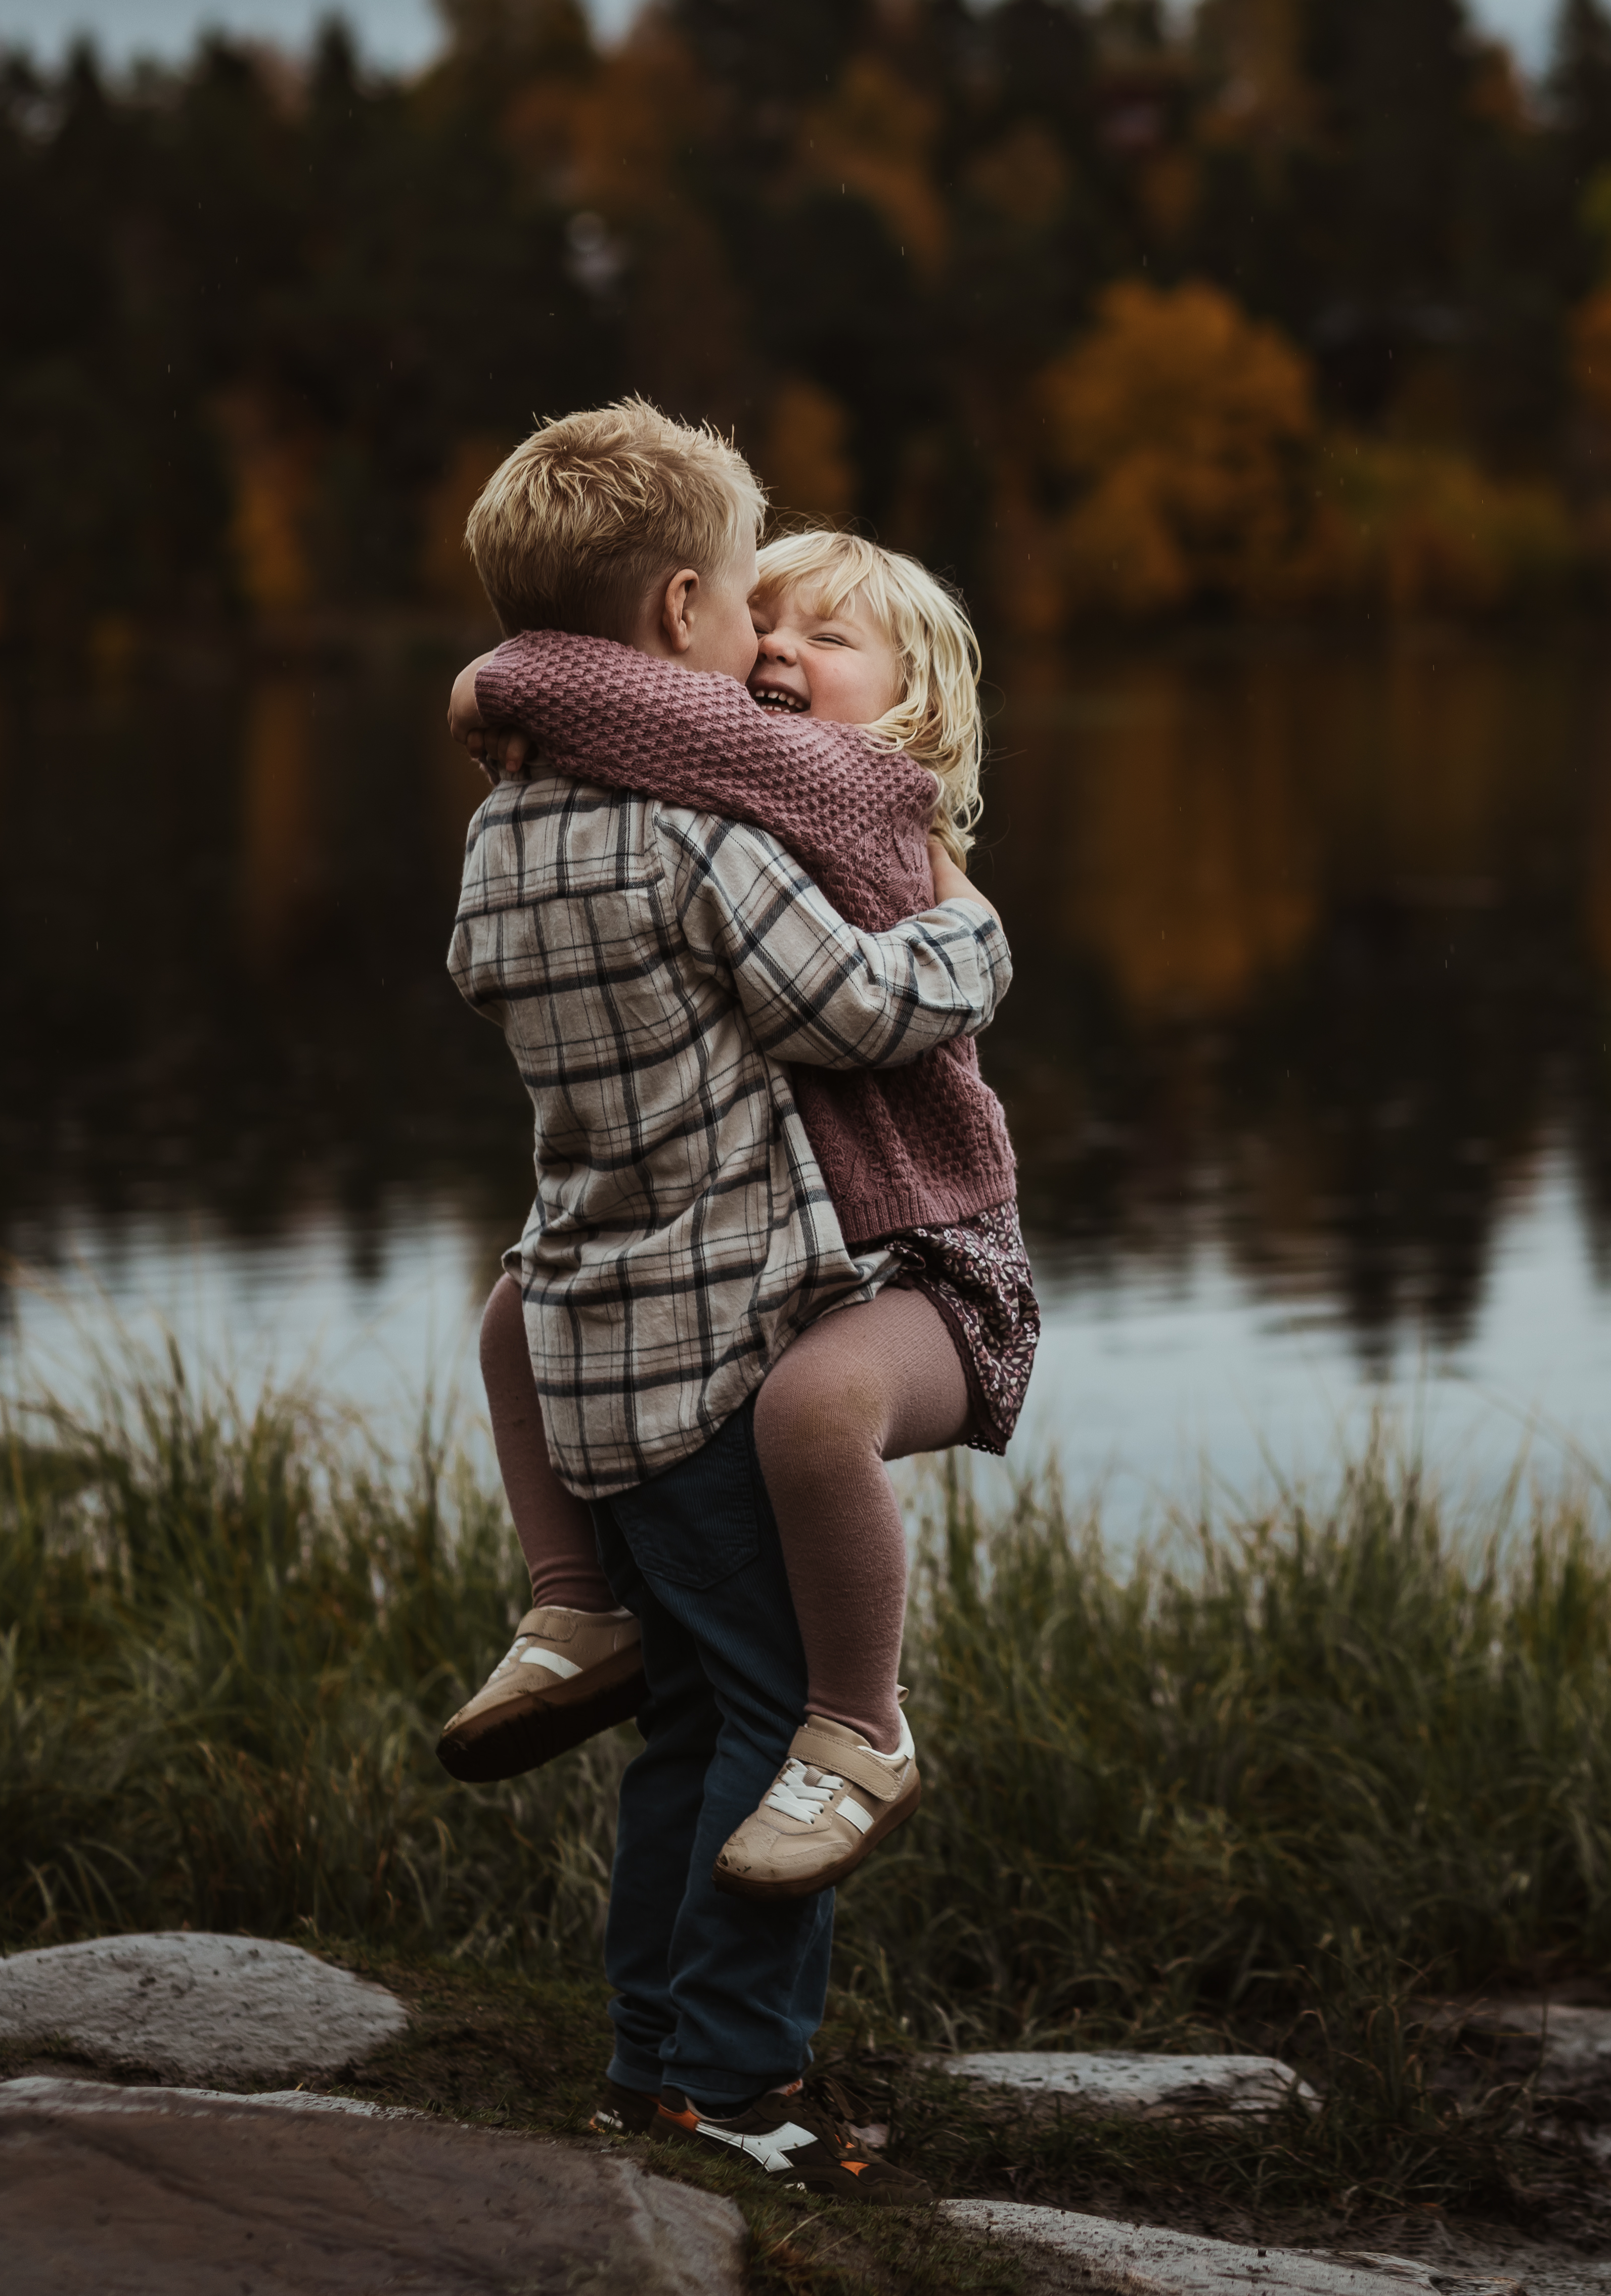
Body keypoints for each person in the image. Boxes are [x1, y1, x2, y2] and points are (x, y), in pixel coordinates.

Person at [440, 397, 1003, 2194]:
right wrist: (967, 936)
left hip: (593, 1342)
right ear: (682, 611)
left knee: (687, 1717)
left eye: (812, 631)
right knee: (766, 1721)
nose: (766, 654)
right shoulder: (714, 839)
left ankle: (646, 2065)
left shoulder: (502, 836)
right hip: (720, 1340)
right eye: (747, 614)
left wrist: (500, 691)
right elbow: (846, 1011)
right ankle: (741, 2092)